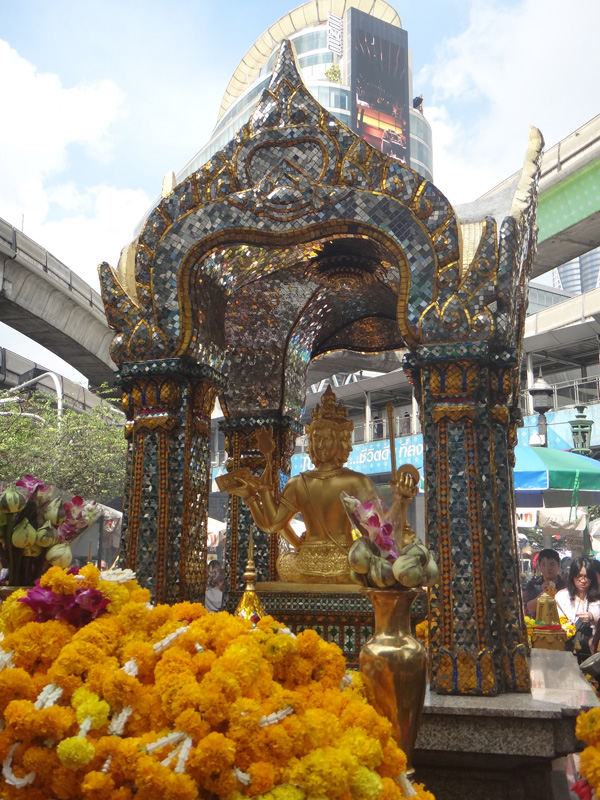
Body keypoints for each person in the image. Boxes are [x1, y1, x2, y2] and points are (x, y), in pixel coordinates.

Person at [221, 386, 375, 583]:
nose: (320, 445)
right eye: (316, 439)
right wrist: (251, 495)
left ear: (340, 441)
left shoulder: (354, 481)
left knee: (286, 563)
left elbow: (373, 530)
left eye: (327, 439)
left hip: (333, 562)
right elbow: (273, 524)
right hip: (333, 565)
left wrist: (253, 497)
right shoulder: (300, 483)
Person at [555, 557, 600, 662]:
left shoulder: (597, 599)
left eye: (587, 576)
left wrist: (592, 618)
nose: (583, 580)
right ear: (572, 576)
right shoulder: (562, 597)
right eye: (579, 576)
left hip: (593, 652)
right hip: (568, 652)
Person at [523, 549, 566, 616]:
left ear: (559, 565)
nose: (548, 568)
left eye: (552, 564)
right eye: (544, 565)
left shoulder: (566, 584)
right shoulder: (533, 584)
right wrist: (543, 594)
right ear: (539, 567)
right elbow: (530, 609)